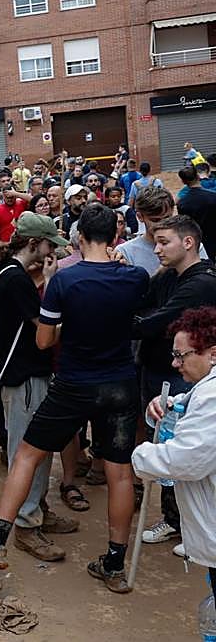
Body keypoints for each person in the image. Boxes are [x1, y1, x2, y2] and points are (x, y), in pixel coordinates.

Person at [0, 205, 150, 593]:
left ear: (79, 237)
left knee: (26, 454)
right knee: (120, 473)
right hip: (121, 383)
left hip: (74, 382)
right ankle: (113, 564)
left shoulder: (64, 281)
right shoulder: (135, 276)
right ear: (115, 237)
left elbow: (43, 339)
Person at [0, 214, 80, 562]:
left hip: (24, 376)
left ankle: (36, 509)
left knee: (36, 451)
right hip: (24, 377)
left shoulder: (11, 275)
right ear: (33, 244)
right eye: (47, 245)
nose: (50, 251)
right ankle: (26, 524)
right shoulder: (16, 280)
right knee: (29, 453)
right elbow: (44, 335)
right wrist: (54, 283)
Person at [131, 216, 216, 548]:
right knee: (166, 433)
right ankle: (177, 518)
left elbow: (155, 321)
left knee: (183, 449)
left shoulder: (202, 283)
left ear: (189, 242)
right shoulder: (169, 276)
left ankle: (183, 523)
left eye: (164, 242)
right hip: (158, 371)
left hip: (183, 376)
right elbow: (143, 303)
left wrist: (129, 323)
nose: (157, 249)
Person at [132, 307, 216, 606]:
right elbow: (192, 406)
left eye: (182, 356)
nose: (174, 363)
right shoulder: (204, 390)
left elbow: (185, 460)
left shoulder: (212, 395)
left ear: (212, 354)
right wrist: (169, 404)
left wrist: (140, 456)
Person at [178, 165, 216, 259]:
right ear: (198, 177)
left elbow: (184, 225)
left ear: (183, 181)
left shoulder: (183, 203)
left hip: (197, 243)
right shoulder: (213, 197)